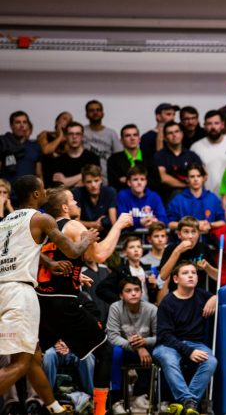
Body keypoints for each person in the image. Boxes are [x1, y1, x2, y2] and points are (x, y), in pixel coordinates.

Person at [0, 175, 98, 414]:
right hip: (19, 292)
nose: (46, 192)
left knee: (33, 357)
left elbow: (21, 250)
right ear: (35, 194)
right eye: (43, 189)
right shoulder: (42, 218)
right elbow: (72, 251)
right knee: (21, 364)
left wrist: (48, 263)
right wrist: (86, 239)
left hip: (3, 287)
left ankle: (55, 408)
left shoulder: (6, 221)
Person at [38, 188, 133, 415]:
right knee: (105, 352)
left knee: (30, 358)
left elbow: (45, 260)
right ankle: (100, 411)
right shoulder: (73, 225)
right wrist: (119, 225)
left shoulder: (43, 230)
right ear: (64, 207)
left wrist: (74, 275)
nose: (77, 203)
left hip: (41, 302)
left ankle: (37, 405)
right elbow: (98, 255)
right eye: (73, 200)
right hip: (63, 303)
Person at [153, 261, 218, 415]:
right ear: (176, 279)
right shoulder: (167, 302)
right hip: (168, 345)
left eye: (193, 273)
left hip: (195, 343)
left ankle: (189, 404)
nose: (190, 276)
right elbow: (165, 335)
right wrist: (188, 351)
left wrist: (216, 297)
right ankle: (188, 401)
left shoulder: (203, 296)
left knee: (210, 361)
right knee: (169, 359)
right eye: (185, 273)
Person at [106, 276, 158, 414]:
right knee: (115, 352)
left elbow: (160, 336)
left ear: (142, 292)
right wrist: (137, 347)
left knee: (161, 352)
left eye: (136, 290)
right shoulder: (115, 308)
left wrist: (145, 342)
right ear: (121, 295)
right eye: (128, 291)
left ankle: (145, 395)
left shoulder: (152, 309)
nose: (133, 293)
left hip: (147, 349)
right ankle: (116, 400)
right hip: (124, 350)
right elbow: (112, 336)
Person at [158, 216, 217, 295]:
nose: (190, 236)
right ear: (179, 234)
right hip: (175, 295)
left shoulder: (204, 248)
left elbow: (217, 276)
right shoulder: (171, 248)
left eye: (193, 232)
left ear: (198, 234)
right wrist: (177, 251)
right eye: (186, 232)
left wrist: (207, 267)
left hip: (199, 296)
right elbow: (163, 276)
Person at [190, 111, 226, 195]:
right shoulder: (196, 147)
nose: (213, 127)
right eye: (209, 124)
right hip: (207, 197)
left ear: (222, 125)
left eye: (216, 123)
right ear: (204, 126)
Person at [96, 235, 157, 304]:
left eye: (139, 247)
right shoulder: (120, 270)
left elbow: (152, 295)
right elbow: (101, 289)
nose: (136, 250)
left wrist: (154, 287)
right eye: (131, 247)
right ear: (125, 252)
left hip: (146, 307)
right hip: (128, 308)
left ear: (142, 250)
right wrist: (120, 303)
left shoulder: (147, 269)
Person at [166, 163, 226, 234]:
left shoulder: (213, 198)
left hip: (208, 238)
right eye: (192, 176)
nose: (196, 179)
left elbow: (222, 221)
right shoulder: (178, 200)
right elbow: (170, 224)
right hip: (185, 239)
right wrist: (194, 225)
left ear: (203, 178)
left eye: (199, 176)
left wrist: (209, 225)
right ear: (187, 179)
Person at [154, 121, 202, 201]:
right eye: (170, 133)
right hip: (168, 199)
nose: (174, 135)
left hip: (192, 199)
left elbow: (203, 175)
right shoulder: (159, 156)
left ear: (182, 134)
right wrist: (186, 185)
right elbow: (163, 177)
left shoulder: (192, 155)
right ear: (165, 138)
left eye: (177, 131)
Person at [107, 124, 157, 193]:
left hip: (147, 196)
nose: (132, 138)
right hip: (123, 197)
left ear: (139, 139)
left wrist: (126, 180)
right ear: (121, 140)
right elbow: (113, 185)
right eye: (128, 136)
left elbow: (156, 182)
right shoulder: (113, 160)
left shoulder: (150, 157)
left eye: (135, 135)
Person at [50, 122, 100, 188]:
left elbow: (93, 183)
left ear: (82, 137)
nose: (74, 137)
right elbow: (59, 185)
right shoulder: (58, 161)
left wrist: (66, 181)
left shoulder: (92, 158)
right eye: (71, 134)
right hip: (65, 195)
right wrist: (85, 175)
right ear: (66, 136)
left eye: (78, 134)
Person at [116, 165, 167, 229]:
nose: (139, 182)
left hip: (151, 233)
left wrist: (155, 221)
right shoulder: (123, 195)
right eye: (135, 179)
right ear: (129, 183)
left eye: (142, 179)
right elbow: (122, 220)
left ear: (146, 182)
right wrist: (139, 222)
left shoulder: (154, 196)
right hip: (129, 234)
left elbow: (164, 219)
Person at [82, 100, 121, 182]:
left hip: (106, 176)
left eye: (98, 110)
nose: (95, 112)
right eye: (91, 110)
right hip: (85, 176)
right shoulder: (81, 132)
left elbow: (119, 156)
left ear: (103, 113)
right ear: (86, 114)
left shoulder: (111, 133)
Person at [72, 164, 117, 234]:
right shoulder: (77, 193)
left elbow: (113, 223)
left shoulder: (110, 192)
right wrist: (93, 224)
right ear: (83, 182)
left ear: (101, 179)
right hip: (83, 234)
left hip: (106, 233)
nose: (93, 185)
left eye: (96, 180)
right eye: (89, 182)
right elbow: (75, 222)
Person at [1, 111, 41, 184]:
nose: (22, 125)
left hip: (29, 189)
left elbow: (38, 174)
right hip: (7, 190)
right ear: (11, 126)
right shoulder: (3, 143)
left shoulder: (35, 146)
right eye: (18, 122)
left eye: (24, 122)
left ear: (28, 125)